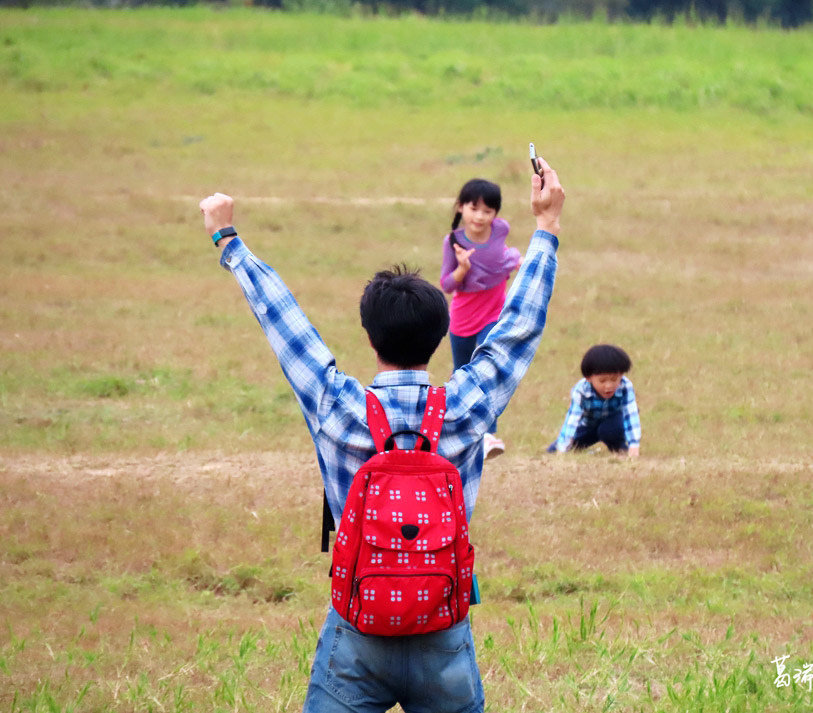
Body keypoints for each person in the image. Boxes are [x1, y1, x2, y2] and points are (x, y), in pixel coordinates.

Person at [198, 157, 564, 713]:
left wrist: (229, 240)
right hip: (443, 625)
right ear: (443, 335)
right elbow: (518, 328)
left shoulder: (337, 405)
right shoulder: (466, 407)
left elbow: (283, 319)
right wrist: (547, 227)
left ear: (369, 337)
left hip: (358, 627)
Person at [439, 178, 522, 460]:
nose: (480, 217)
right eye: (474, 209)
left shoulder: (501, 230)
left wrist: (514, 262)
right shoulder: (453, 242)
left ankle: (487, 435)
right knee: (463, 374)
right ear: (461, 208)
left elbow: (500, 259)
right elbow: (447, 285)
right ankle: (454, 431)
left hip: (494, 314)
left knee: (487, 369)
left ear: (496, 215)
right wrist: (462, 268)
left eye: (488, 211)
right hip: (463, 317)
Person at [547, 344, 641, 459]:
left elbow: (631, 415)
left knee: (609, 430)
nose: (609, 386)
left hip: (613, 423)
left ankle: (620, 449)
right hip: (588, 425)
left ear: (621, 375)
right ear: (588, 378)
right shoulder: (581, 390)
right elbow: (572, 419)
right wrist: (562, 449)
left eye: (614, 379)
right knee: (552, 451)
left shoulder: (625, 386)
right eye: (602, 381)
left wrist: (634, 445)